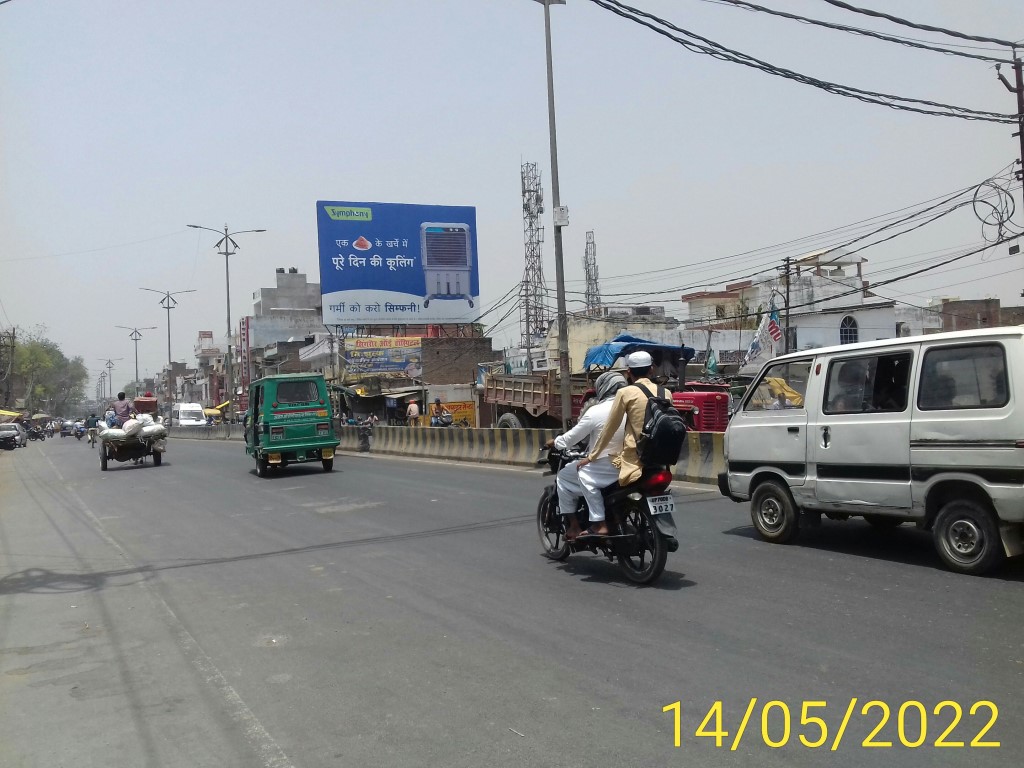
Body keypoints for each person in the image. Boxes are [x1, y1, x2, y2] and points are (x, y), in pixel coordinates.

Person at [545, 371, 628, 540]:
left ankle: (589, 524)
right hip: (630, 464)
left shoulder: (595, 412)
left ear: (603, 388)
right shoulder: (631, 407)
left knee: (565, 476)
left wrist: (555, 442)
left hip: (607, 466)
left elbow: (572, 438)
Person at [578, 350, 659, 490]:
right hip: (660, 455)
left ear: (628, 372)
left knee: (585, 476)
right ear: (651, 370)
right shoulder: (665, 392)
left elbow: (610, 428)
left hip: (634, 457)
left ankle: (597, 513)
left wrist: (591, 457)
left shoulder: (625, 393)